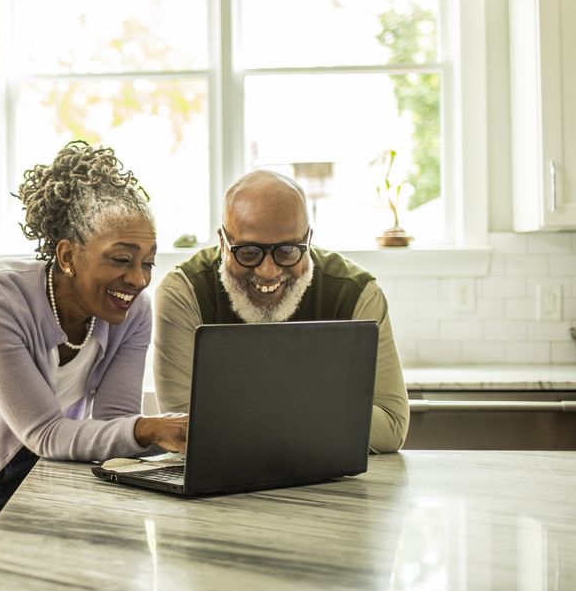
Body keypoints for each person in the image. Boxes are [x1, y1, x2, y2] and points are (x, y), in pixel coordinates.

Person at [0, 142, 188, 591]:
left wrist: (158, 438)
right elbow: (45, 432)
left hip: (34, 474)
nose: (138, 279)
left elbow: (113, 425)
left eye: (147, 262)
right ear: (69, 254)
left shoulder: (133, 313)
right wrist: (153, 428)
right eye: (121, 258)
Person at [152, 169, 408, 453]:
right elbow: (184, 430)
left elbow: (391, 427)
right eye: (248, 252)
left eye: (287, 251)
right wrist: (321, 412)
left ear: (308, 239)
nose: (268, 270)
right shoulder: (183, 293)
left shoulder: (357, 293)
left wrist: (240, 410)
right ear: (222, 242)